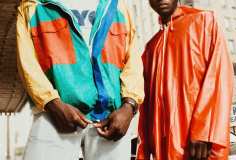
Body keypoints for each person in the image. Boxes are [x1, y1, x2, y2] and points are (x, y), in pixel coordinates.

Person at [16, 0, 144, 160]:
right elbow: (27, 64)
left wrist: (129, 106)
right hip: (54, 115)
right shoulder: (33, 6)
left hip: (111, 118)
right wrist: (52, 103)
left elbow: (133, 61)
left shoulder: (118, 6)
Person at [137, 0, 233, 159]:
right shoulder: (151, 48)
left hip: (201, 149)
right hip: (163, 151)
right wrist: (143, 152)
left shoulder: (204, 22)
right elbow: (145, 108)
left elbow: (219, 75)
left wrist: (204, 131)